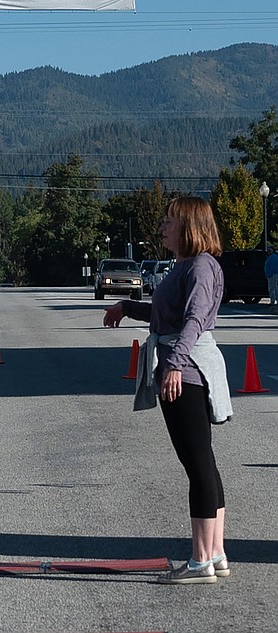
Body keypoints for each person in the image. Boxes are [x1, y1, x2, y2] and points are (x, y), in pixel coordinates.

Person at [102, 196, 232, 585]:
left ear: (189, 227)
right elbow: (166, 315)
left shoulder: (201, 267)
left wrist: (174, 364)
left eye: (169, 221)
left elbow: (194, 320)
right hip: (183, 365)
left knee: (198, 464)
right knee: (202, 461)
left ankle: (200, 561)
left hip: (187, 372)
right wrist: (127, 307)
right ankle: (216, 553)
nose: (162, 227)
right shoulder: (186, 266)